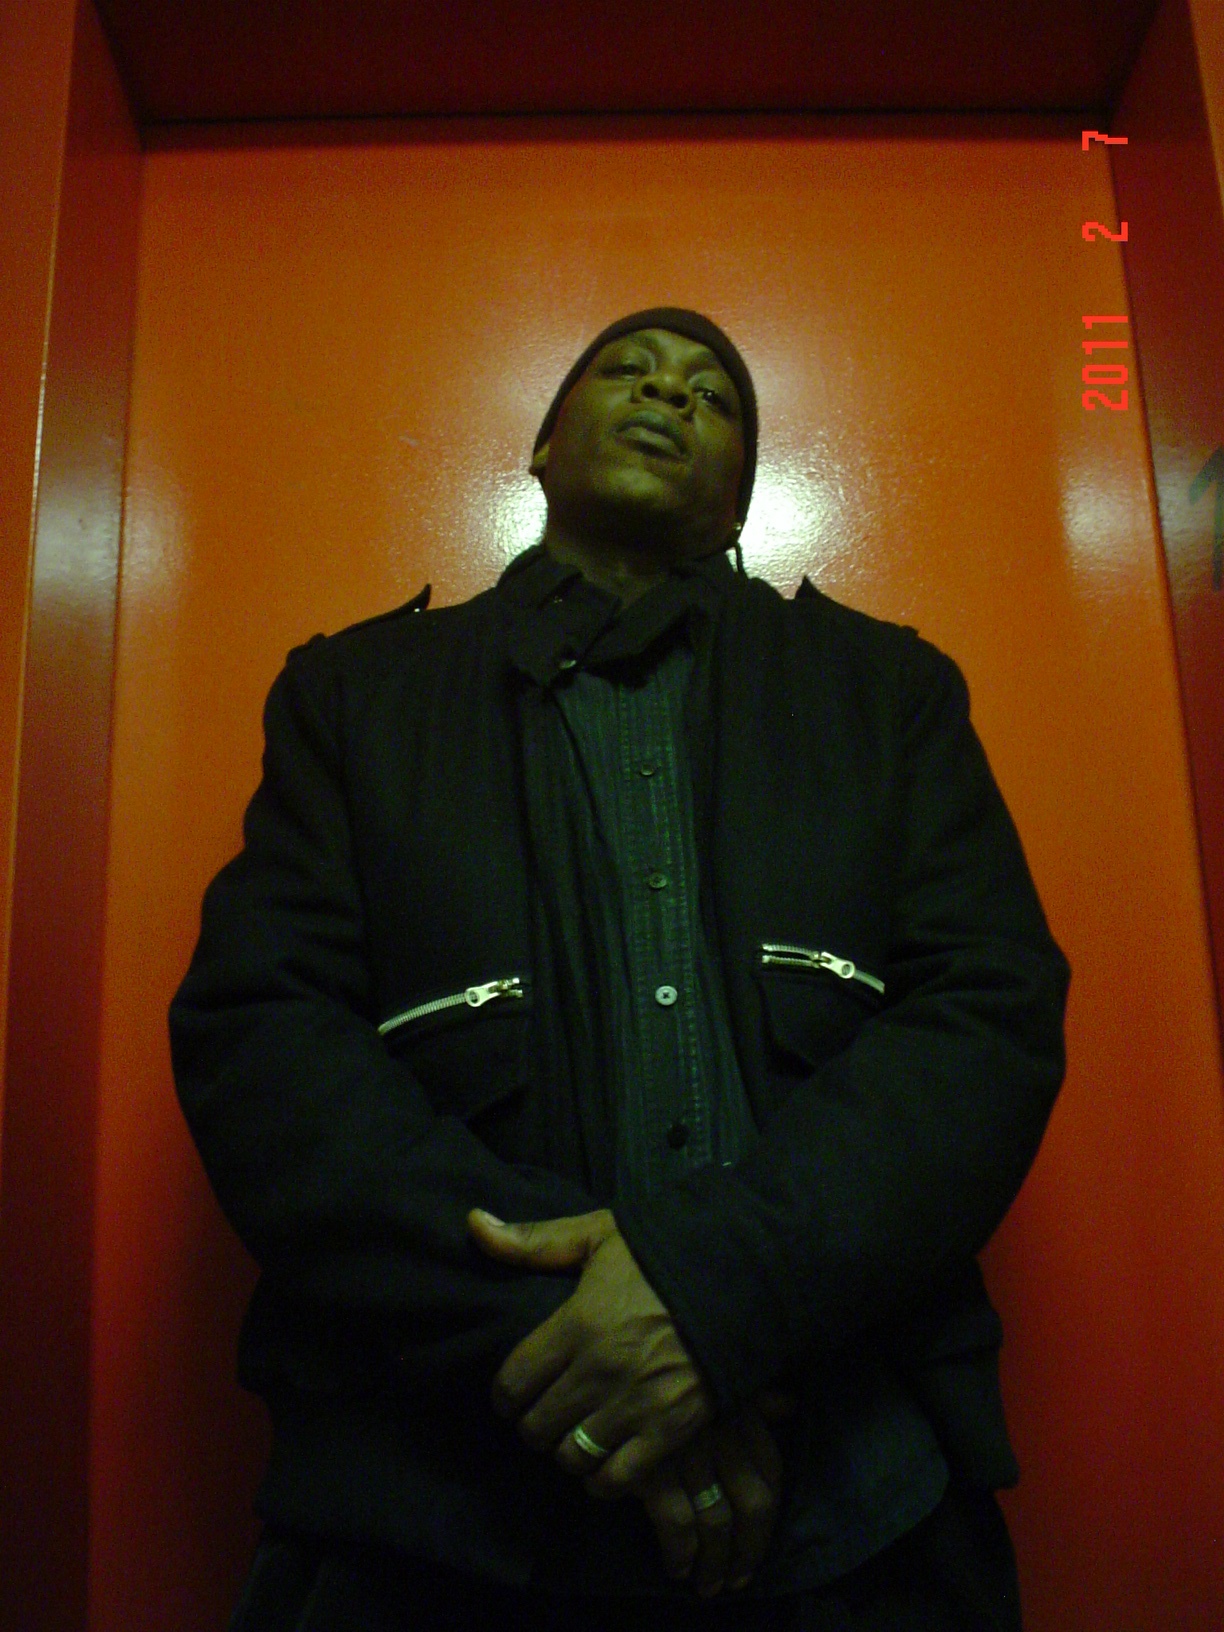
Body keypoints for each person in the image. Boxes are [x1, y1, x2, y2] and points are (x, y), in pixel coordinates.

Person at [170, 308, 1070, 1632]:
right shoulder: (355, 694)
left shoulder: (889, 692)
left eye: (713, 394)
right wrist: (587, 1343)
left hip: (857, 1499)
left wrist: (718, 1293)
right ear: (542, 448)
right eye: (629, 372)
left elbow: (988, 1018)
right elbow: (262, 1039)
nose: (668, 393)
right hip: (423, 1511)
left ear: (743, 490)